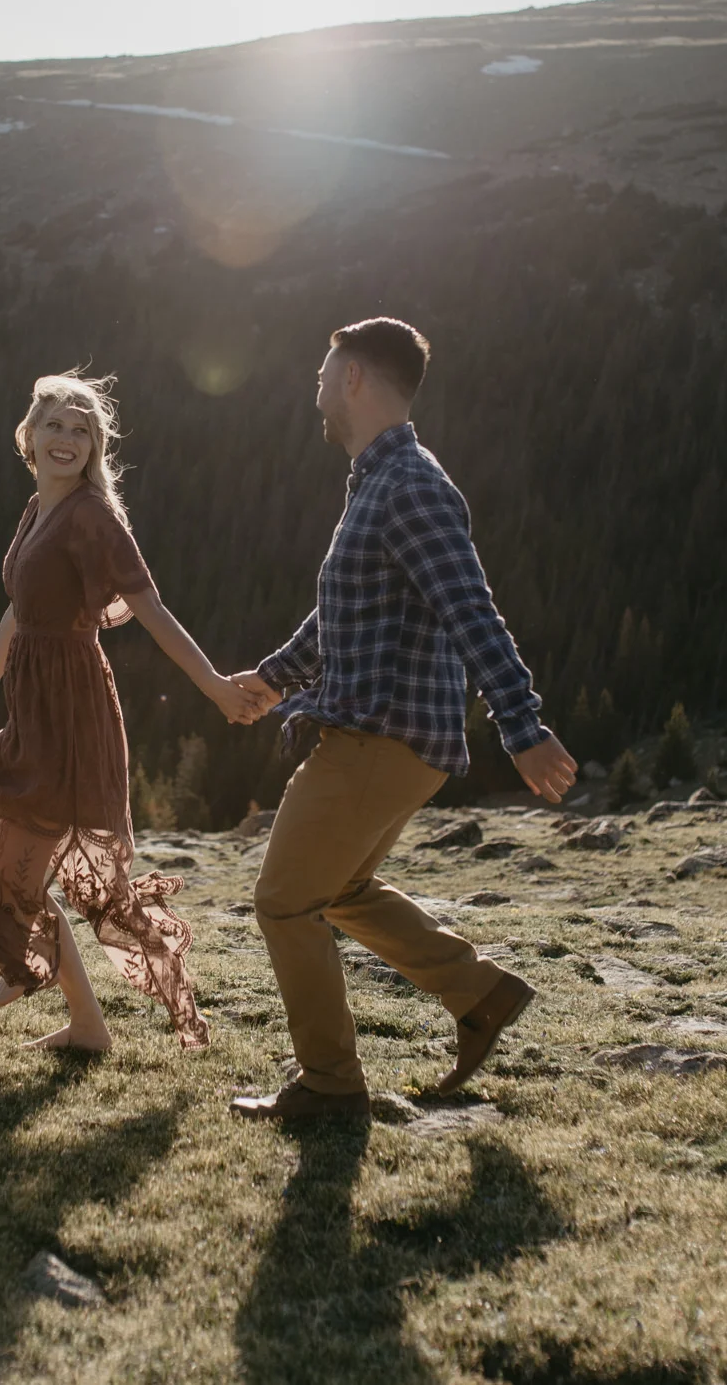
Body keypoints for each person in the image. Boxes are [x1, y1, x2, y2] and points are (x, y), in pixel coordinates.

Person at [227, 318, 577, 1121]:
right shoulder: (377, 484)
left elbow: (471, 611)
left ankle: (328, 1087)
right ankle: (479, 994)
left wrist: (520, 725)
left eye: (323, 373)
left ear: (354, 377)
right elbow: (342, 613)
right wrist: (273, 679)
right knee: (342, 889)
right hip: (386, 735)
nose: (314, 390)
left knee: (285, 901)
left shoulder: (411, 485)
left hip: (377, 737)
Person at [0, 372, 249, 1052]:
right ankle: (77, 1015)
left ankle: (30, 969)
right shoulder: (38, 509)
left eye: (81, 428)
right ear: (29, 436)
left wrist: (212, 684)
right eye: (55, 425)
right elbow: (21, 606)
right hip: (34, 710)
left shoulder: (92, 517)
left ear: (96, 446)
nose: (67, 438)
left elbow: (148, 606)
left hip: (71, 717)